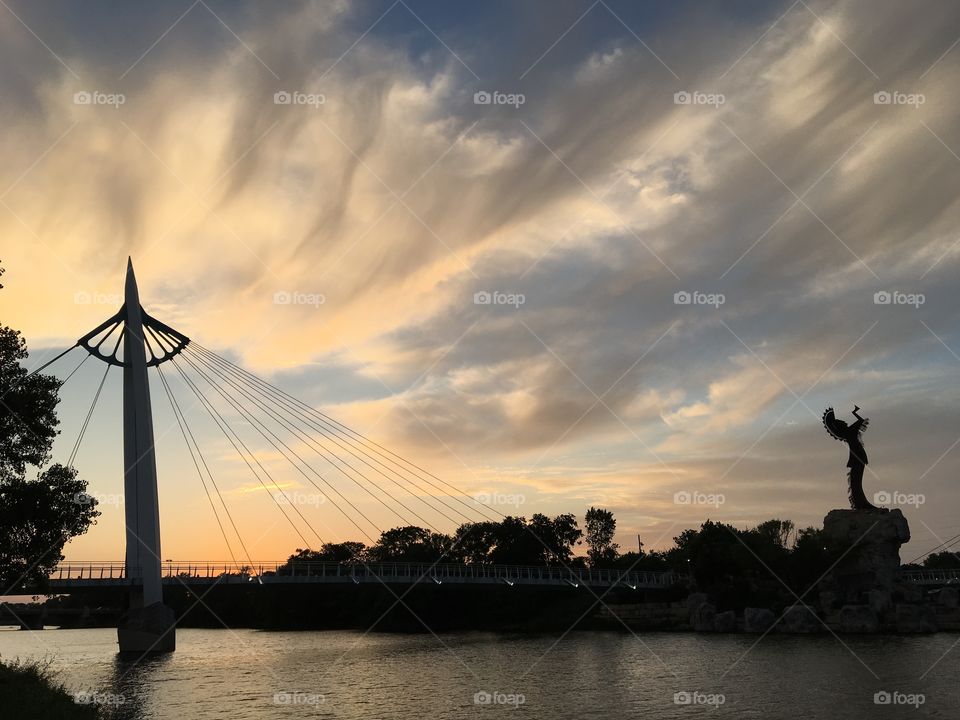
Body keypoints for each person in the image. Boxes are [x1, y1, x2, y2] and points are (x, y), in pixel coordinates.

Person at [822, 405, 877, 510]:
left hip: (857, 457)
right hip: (858, 457)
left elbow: (860, 421)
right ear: (841, 425)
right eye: (841, 421)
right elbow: (861, 420)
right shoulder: (850, 431)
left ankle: (861, 503)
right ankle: (861, 504)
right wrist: (854, 412)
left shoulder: (847, 432)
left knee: (856, 482)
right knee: (856, 482)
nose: (844, 421)